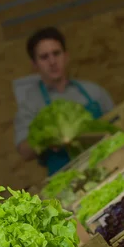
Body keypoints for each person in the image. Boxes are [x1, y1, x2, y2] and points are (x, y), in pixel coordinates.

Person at [13, 27, 115, 176]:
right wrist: (47, 138)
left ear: (66, 56)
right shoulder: (30, 105)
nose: (52, 61)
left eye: (56, 53)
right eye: (44, 57)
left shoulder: (93, 92)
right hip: (67, 180)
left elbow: (118, 125)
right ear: (34, 64)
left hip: (110, 166)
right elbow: (24, 151)